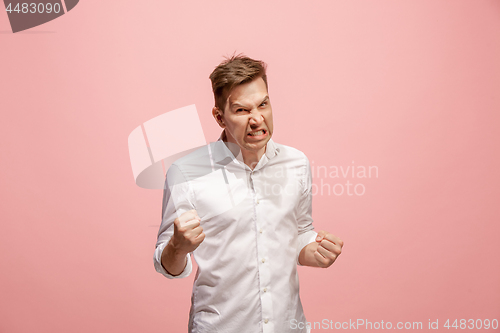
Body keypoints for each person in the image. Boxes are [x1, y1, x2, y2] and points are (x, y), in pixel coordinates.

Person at [154, 54, 344, 333]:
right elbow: (166, 264)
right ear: (220, 117)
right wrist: (177, 247)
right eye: (242, 111)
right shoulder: (186, 173)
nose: (257, 119)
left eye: (263, 104)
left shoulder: (297, 164)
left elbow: (300, 233)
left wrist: (315, 251)